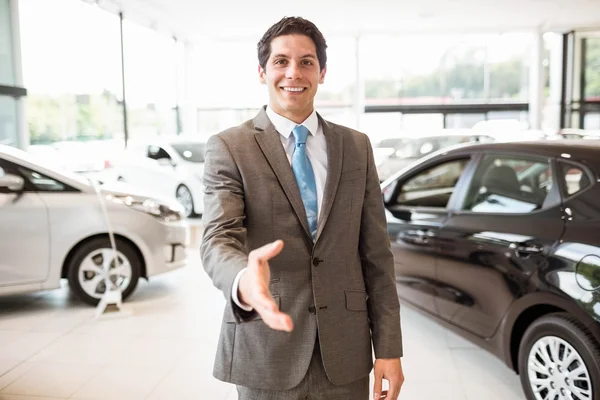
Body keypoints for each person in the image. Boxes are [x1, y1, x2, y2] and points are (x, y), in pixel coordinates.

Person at [200, 16, 404, 400]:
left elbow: (377, 254)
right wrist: (244, 281)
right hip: (265, 346)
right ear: (262, 72)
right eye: (280, 61)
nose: (293, 72)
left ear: (322, 72)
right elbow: (217, 239)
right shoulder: (230, 147)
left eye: (306, 61)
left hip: (345, 350)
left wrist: (389, 349)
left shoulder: (356, 147)